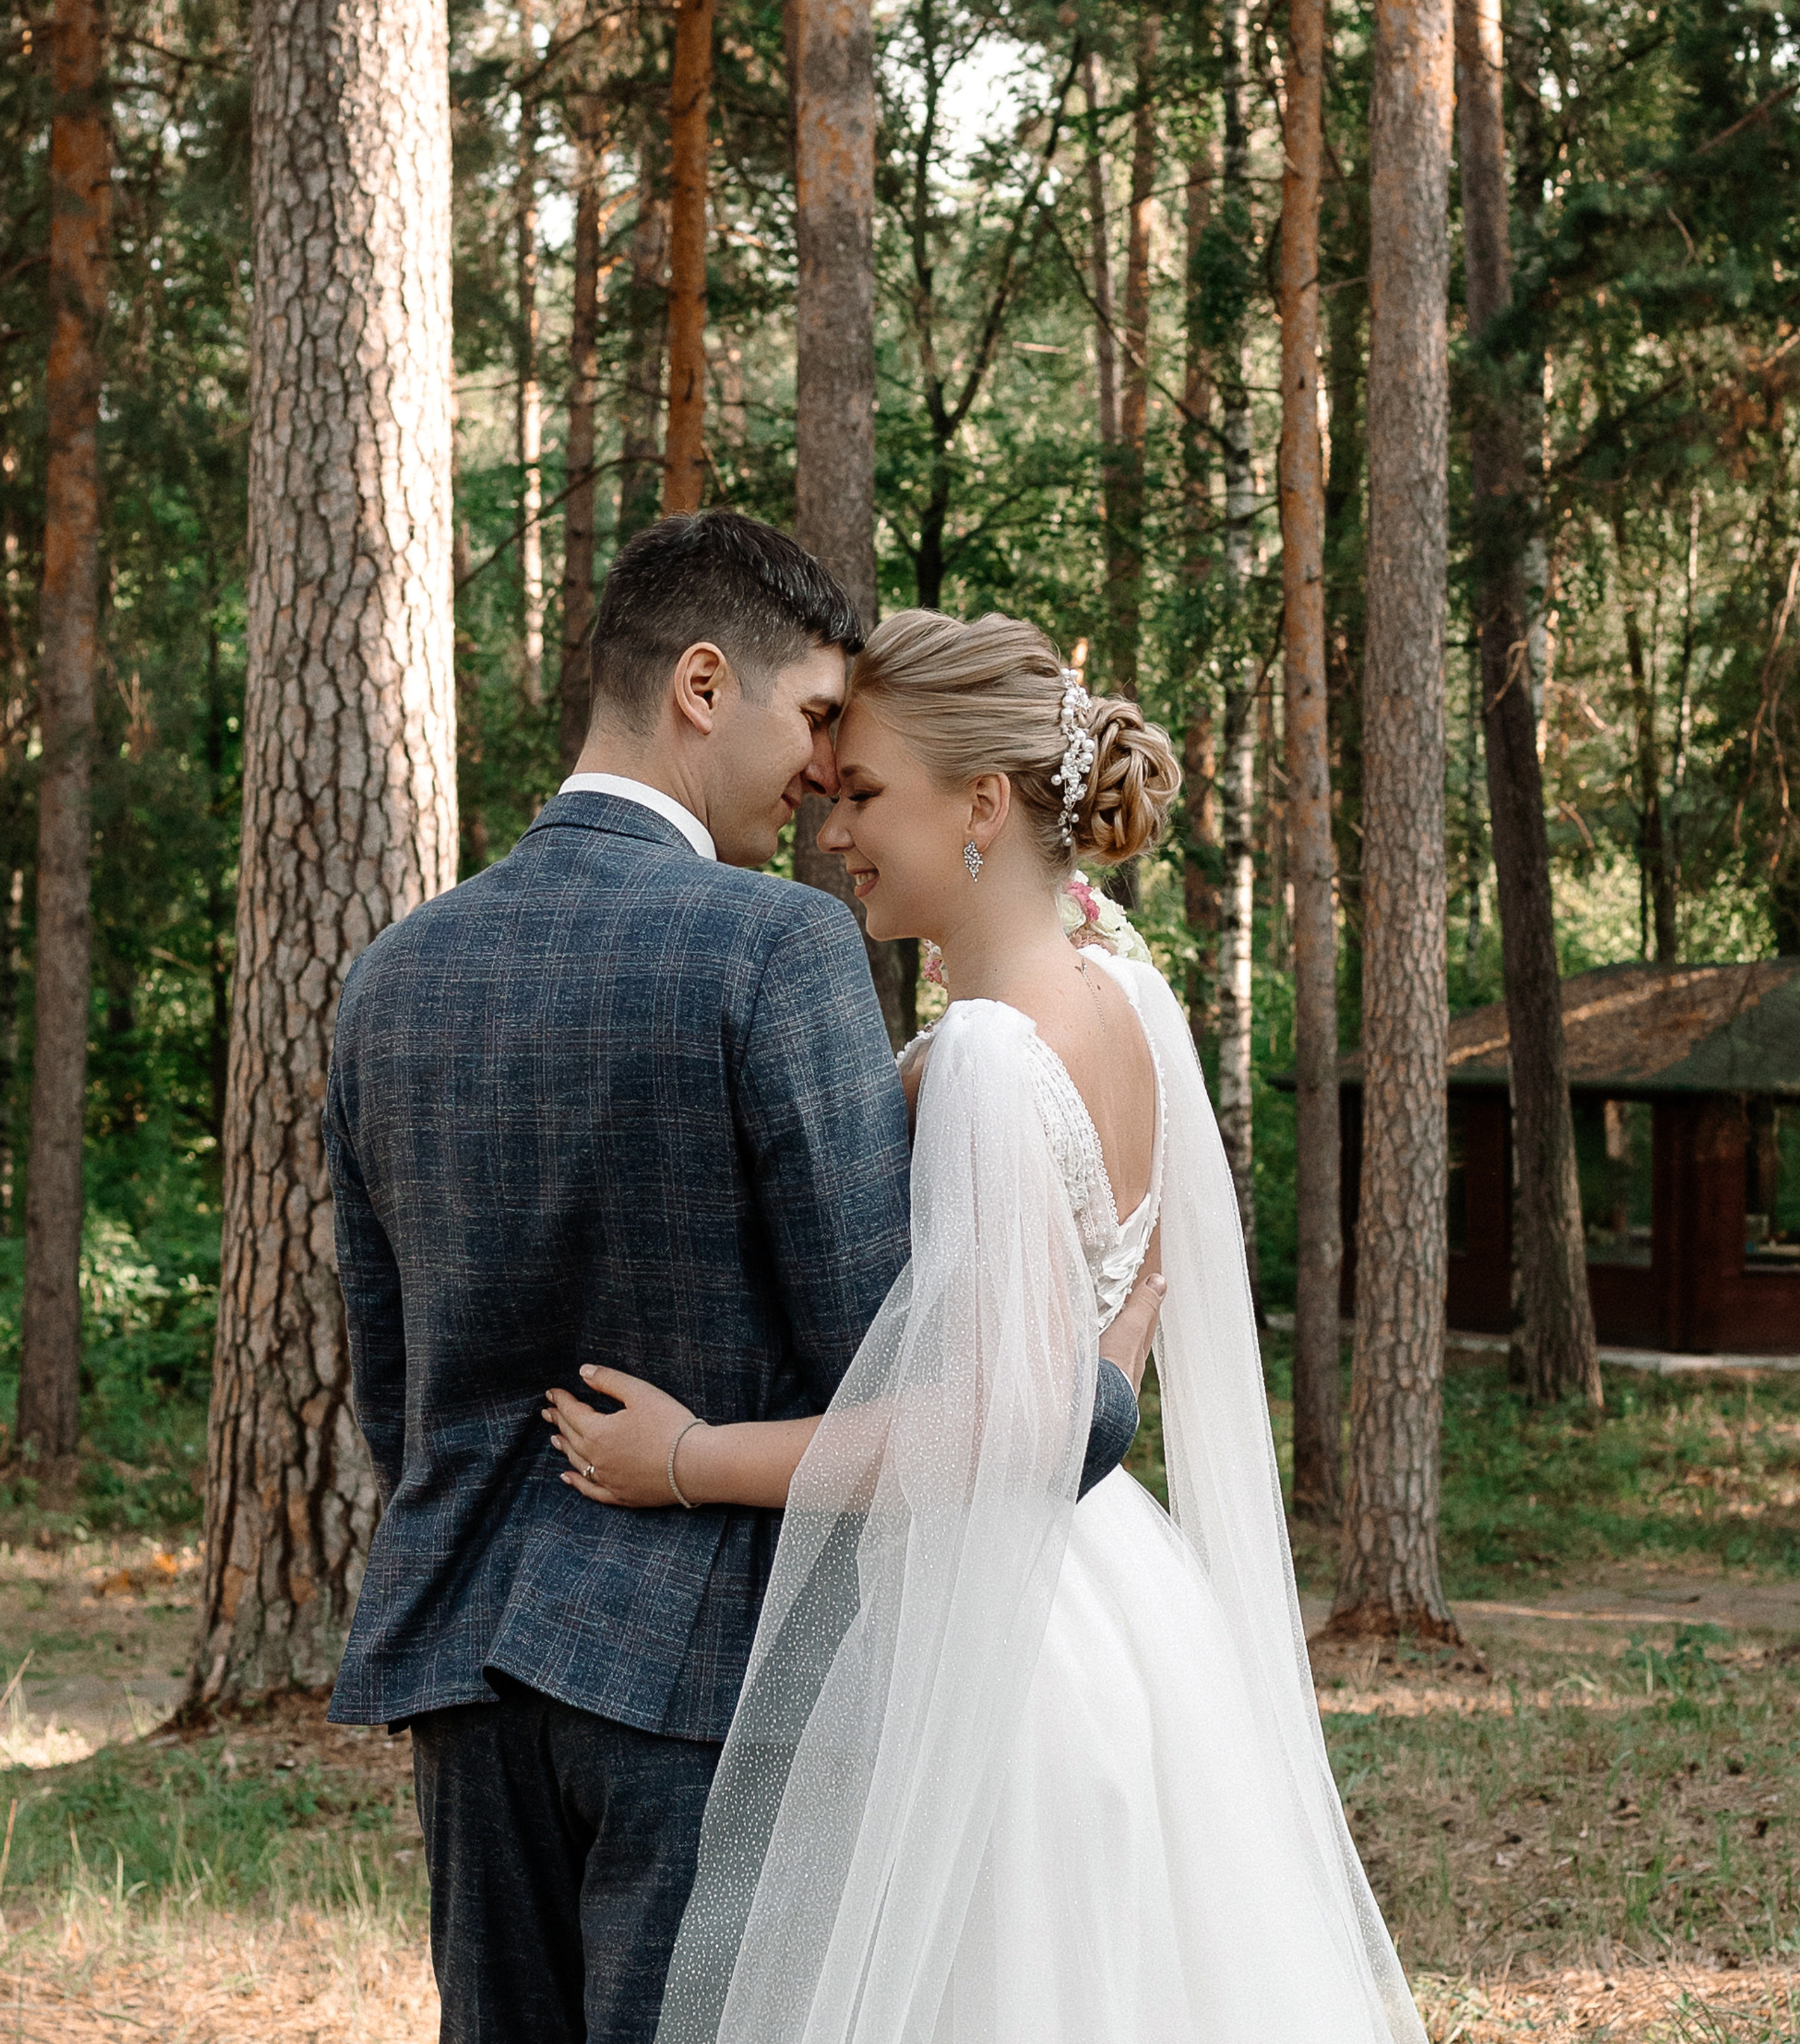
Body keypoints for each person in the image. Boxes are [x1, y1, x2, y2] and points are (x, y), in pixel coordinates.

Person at [323, 515, 1152, 2044]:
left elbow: (394, 1383)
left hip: (457, 1666)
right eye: (813, 718)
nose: (820, 778)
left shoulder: (390, 975)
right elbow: (888, 1354)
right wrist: (1097, 1387)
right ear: (704, 685)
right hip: (704, 1677)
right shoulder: (771, 950)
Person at [547, 608, 1429, 2044]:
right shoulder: (1128, 1001)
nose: (836, 834)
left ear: (980, 803)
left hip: (1000, 1640)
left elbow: (986, 1423)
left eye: (867, 796)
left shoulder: (986, 1050)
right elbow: (1099, 1327)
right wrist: (1104, 1366)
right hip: (1123, 1601)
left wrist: (687, 1457)